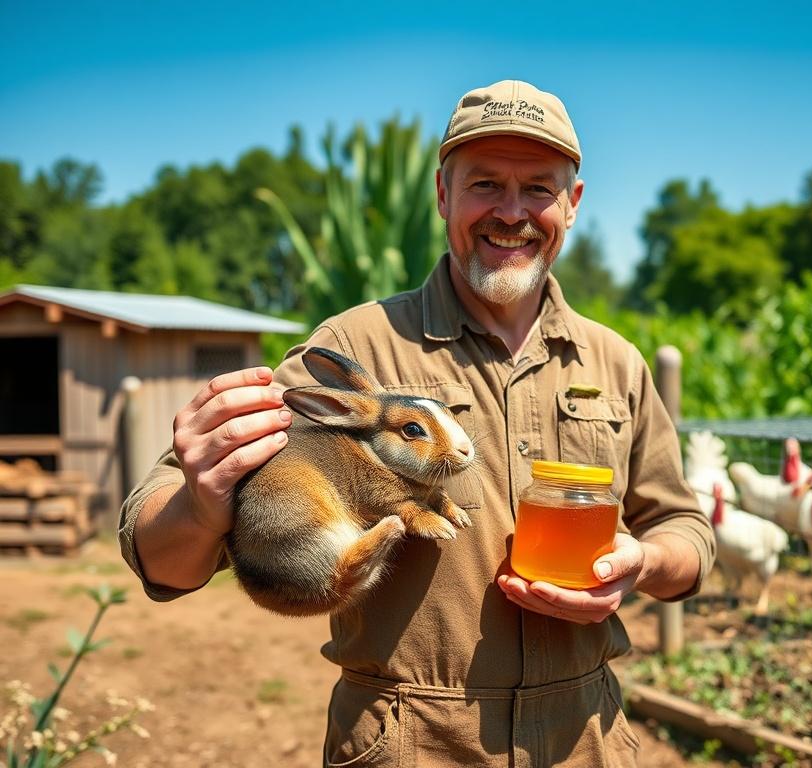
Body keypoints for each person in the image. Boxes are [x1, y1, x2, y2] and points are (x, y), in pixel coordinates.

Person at [119, 79, 715, 767]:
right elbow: (161, 555)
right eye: (485, 184)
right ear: (442, 195)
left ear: (572, 205)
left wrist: (644, 561)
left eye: (539, 189)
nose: (512, 213)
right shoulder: (357, 346)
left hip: (584, 736)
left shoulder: (616, 362)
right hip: (411, 742)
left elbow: (685, 532)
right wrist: (199, 499)